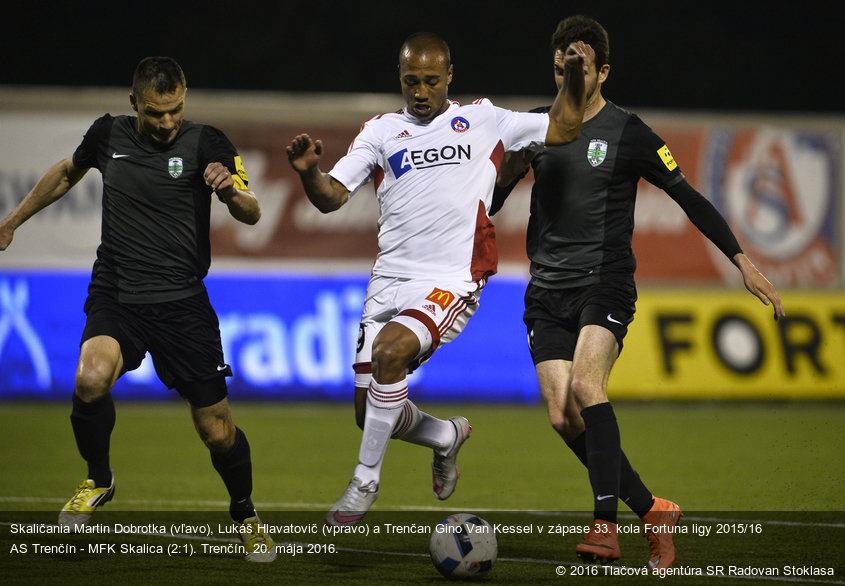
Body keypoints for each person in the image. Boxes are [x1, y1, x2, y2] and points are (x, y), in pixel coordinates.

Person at [491, 15, 785, 570]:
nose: (567, 80)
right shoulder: (533, 128)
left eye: (577, 70)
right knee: (561, 416)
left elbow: (690, 197)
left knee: (584, 385)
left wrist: (742, 261)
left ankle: (606, 526)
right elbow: (493, 200)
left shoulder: (629, 133)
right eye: (560, 70)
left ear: (603, 71)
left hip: (604, 281)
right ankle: (654, 510)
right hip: (545, 288)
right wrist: (499, 181)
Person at [286, 32, 592, 526]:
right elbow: (332, 197)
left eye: (431, 81)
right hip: (389, 281)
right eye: (411, 81)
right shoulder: (381, 132)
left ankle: (364, 482)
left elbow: (565, 125)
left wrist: (576, 75)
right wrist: (308, 173)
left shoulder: (485, 119)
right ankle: (445, 436)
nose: (421, 91)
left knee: (389, 354)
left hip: (452, 276)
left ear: (450, 76)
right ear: (400, 79)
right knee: (370, 415)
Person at [0, 57, 276, 562]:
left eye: (175, 111)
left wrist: (230, 190)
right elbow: (67, 173)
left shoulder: (208, 143)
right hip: (118, 292)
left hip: (182, 304)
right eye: (156, 114)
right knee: (89, 378)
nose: (168, 123)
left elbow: (253, 210)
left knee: (216, 431)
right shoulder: (108, 135)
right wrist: (12, 220)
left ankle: (246, 513)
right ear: (134, 104)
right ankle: (98, 479)